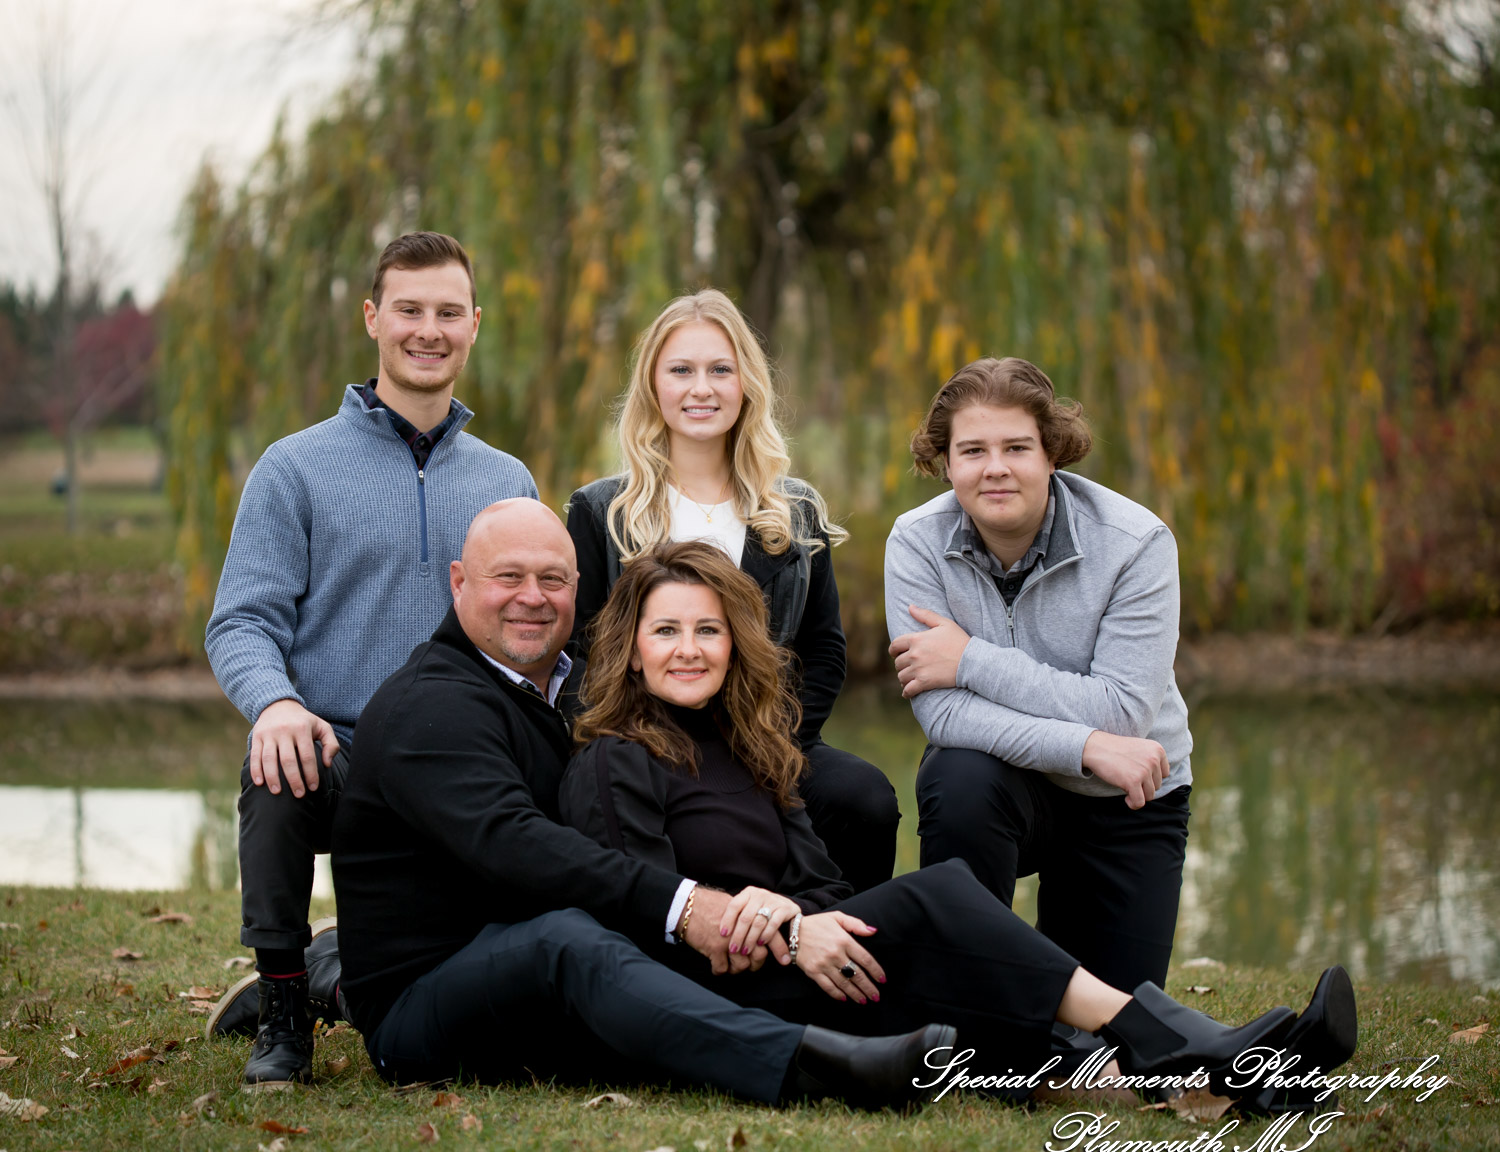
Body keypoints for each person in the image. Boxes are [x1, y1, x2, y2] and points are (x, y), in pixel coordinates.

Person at [557, 540, 1358, 1108]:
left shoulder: (756, 754)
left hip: (802, 961)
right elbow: (635, 919)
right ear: (630, 650)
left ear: (735, 645)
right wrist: (766, 918)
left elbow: (828, 887)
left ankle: (1240, 1067)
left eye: (708, 630)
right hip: (723, 999)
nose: (690, 650)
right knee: (937, 897)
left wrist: (803, 918)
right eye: (666, 632)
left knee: (934, 933)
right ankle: (1174, 1040)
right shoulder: (612, 761)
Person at [329, 498, 953, 1110]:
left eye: (553, 579)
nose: (532, 596)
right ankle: (817, 1064)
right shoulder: (429, 707)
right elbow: (515, 846)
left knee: (865, 836)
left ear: (579, 587)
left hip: (550, 959)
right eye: (508, 578)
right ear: (460, 583)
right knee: (567, 940)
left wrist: (780, 910)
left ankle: (984, 1020)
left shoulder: (565, 692)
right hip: (427, 999)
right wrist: (687, 906)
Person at [204, 232, 537, 1086]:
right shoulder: (295, 469)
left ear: (474, 327)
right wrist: (276, 704)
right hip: (338, 752)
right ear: (372, 319)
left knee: (448, 1004)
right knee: (273, 769)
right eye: (410, 310)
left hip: (461, 758)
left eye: (448, 313)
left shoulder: (509, 482)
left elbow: (536, 629)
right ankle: (284, 1006)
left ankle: (334, 972)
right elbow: (240, 622)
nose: (429, 330)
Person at [564, 289, 900, 894]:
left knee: (865, 796)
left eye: (721, 369)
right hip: (643, 743)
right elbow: (583, 654)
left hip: (772, 741)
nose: (702, 388)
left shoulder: (795, 512)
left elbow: (824, 652)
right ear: (653, 386)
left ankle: (856, 957)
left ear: (746, 383)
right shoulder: (602, 513)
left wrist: (766, 744)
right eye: (682, 370)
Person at [885, 357, 1192, 995]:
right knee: (955, 773)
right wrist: (1086, 746)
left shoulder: (1137, 543)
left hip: (1126, 795)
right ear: (946, 464)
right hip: (1005, 789)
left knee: (1111, 1033)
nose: (994, 467)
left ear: (1052, 453)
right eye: (972, 450)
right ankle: (970, 1010)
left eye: (1016, 447)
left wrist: (968, 659)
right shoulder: (915, 541)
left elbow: (1123, 715)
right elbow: (943, 715)